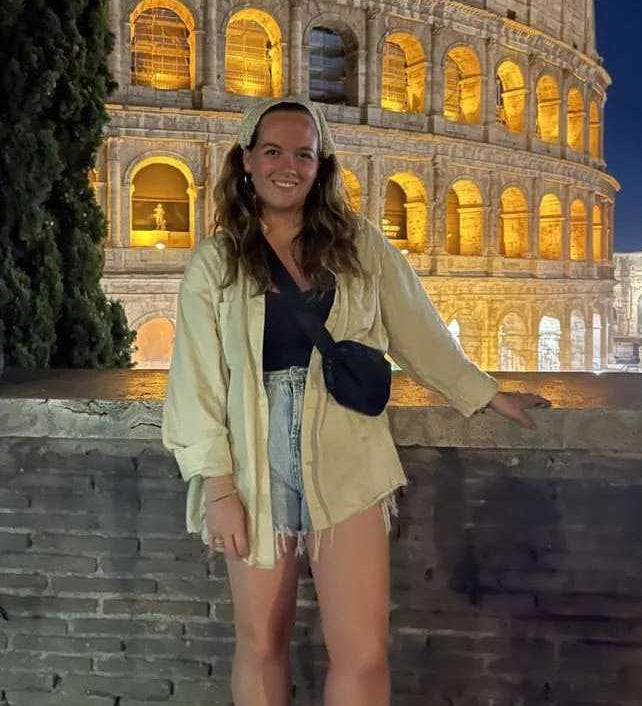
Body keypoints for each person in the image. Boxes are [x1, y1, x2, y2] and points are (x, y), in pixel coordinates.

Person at [162, 96, 550, 706]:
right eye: (272, 152)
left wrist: (486, 393)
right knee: (261, 639)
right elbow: (197, 383)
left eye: (303, 154)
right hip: (252, 464)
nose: (287, 166)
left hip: (346, 453)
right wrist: (217, 490)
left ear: (322, 167)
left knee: (363, 650)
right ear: (245, 161)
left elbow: (417, 330)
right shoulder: (217, 262)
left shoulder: (360, 244)